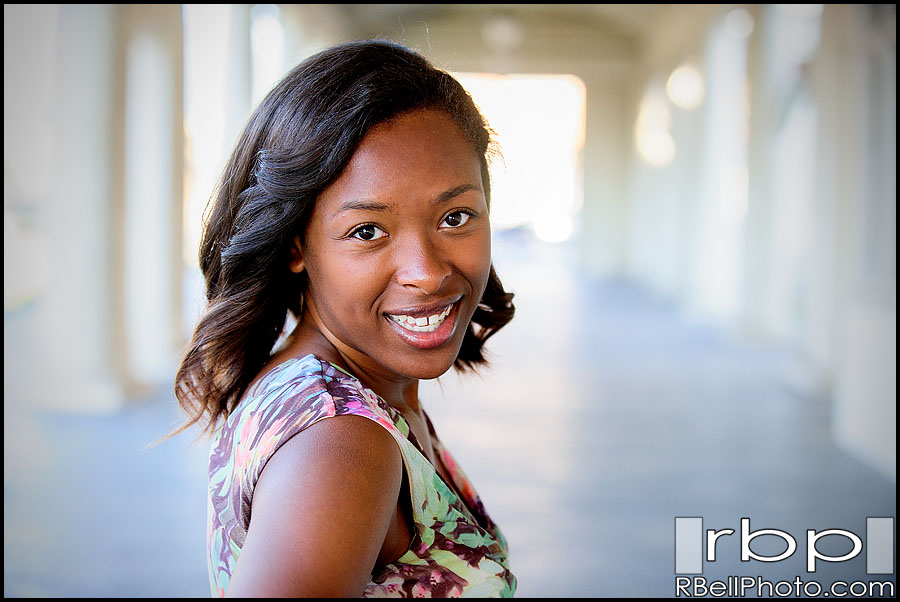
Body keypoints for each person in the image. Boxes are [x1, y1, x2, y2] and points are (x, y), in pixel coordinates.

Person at [173, 39, 517, 597]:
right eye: (367, 231)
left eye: (456, 217)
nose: (426, 273)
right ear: (295, 245)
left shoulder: (340, 389)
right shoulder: (339, 442)